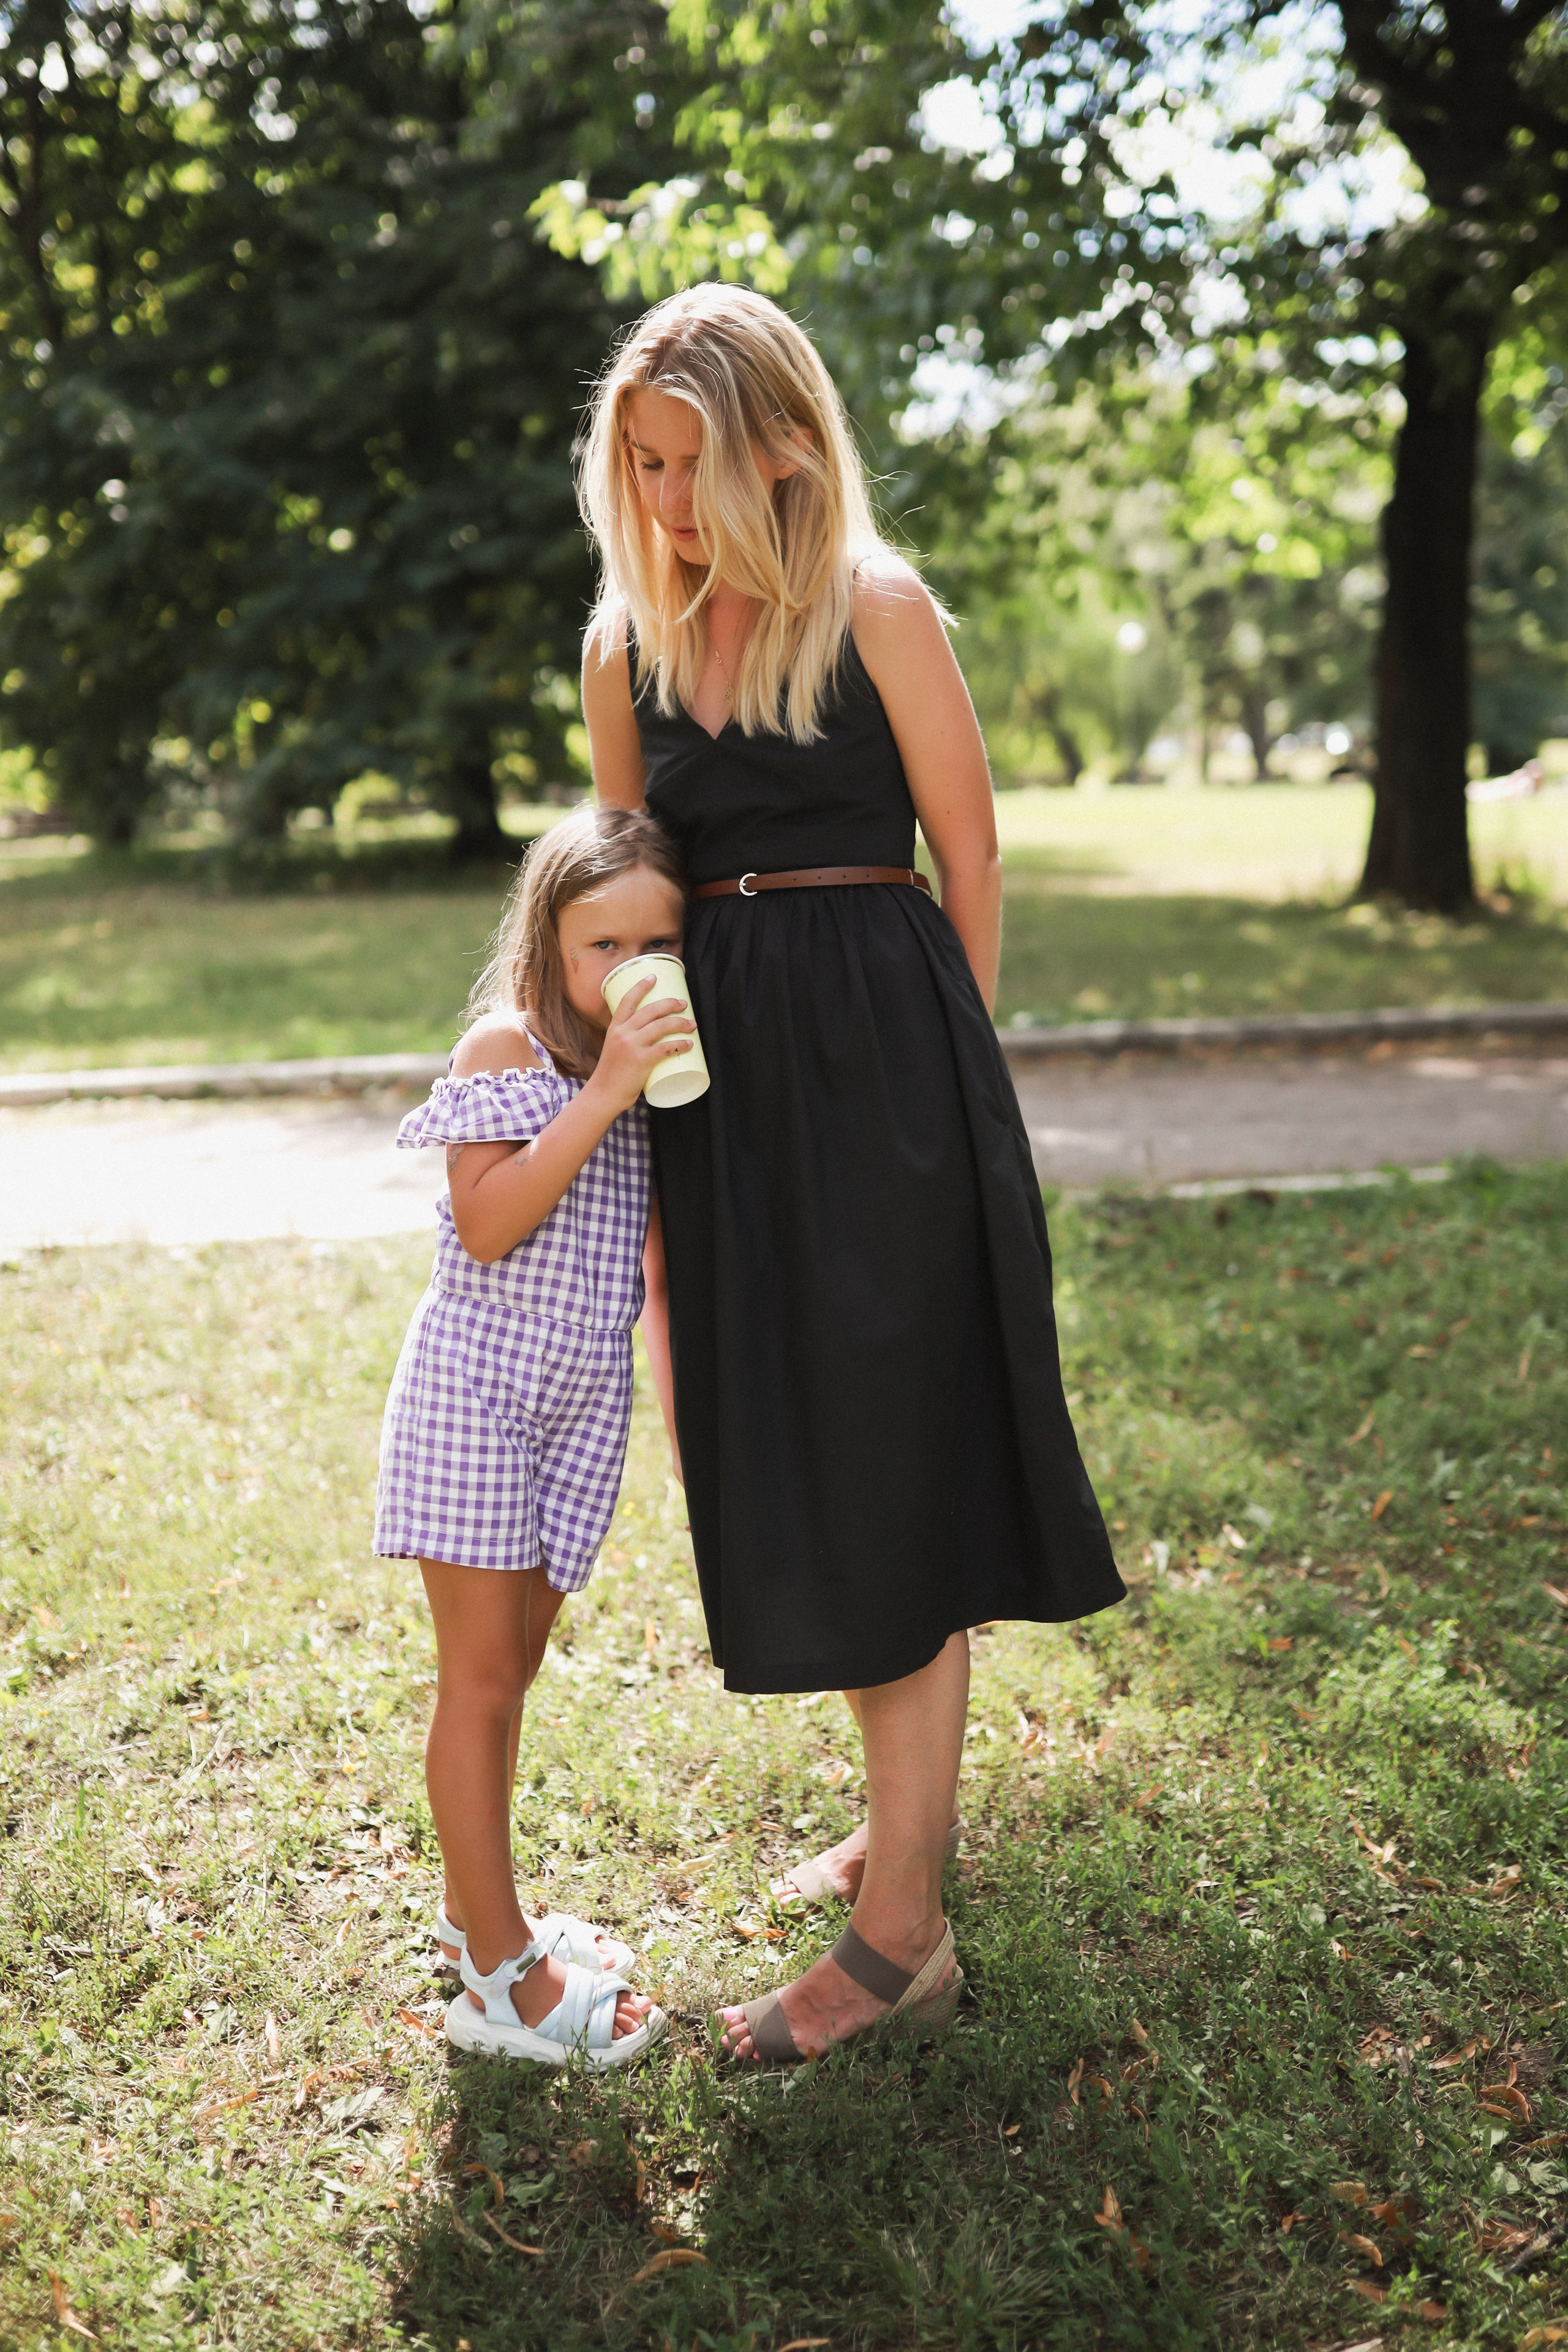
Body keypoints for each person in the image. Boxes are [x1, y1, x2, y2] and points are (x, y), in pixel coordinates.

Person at [579, 282, 1126, 2066]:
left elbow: (971, 857)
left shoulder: (875, 609)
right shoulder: (624, 645)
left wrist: (944, 1093)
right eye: (641, 465)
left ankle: (902, 1936)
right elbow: (630, 889)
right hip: (719, 1090)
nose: (667, 501)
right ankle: (904, 1828)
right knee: (800, 1445)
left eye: (692, 463)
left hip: (887, 1072)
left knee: (892, 1453)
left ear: (787, 448)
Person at [373, 804, 696, 2066]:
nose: (631, 968)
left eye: (658, 942)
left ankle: (477, 1917)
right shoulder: (507, 1047)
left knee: (516, 1672)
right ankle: (502, 1984)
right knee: (480, 1679)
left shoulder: (655, 1066)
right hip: (479, 1393)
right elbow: (490, 1222)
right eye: (602, 944)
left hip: (577, 1403)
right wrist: (608, 1088)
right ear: (548, 943)